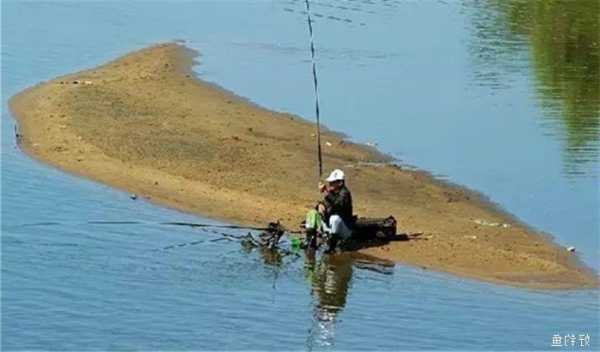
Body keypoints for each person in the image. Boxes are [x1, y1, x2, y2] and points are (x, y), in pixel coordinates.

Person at [305, 169, 353, 251]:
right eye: (329, 182)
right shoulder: (332, 193)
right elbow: (326, 203)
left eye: (332, 182)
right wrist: (320, 206)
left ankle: (332, 248)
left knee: (334, 219)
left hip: (344, 230)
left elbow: (338, 204)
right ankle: (310, 244)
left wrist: (326, 192)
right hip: (330, 227)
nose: (329, 184)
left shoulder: (345, 193)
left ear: (340, 183)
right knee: (312, 213)